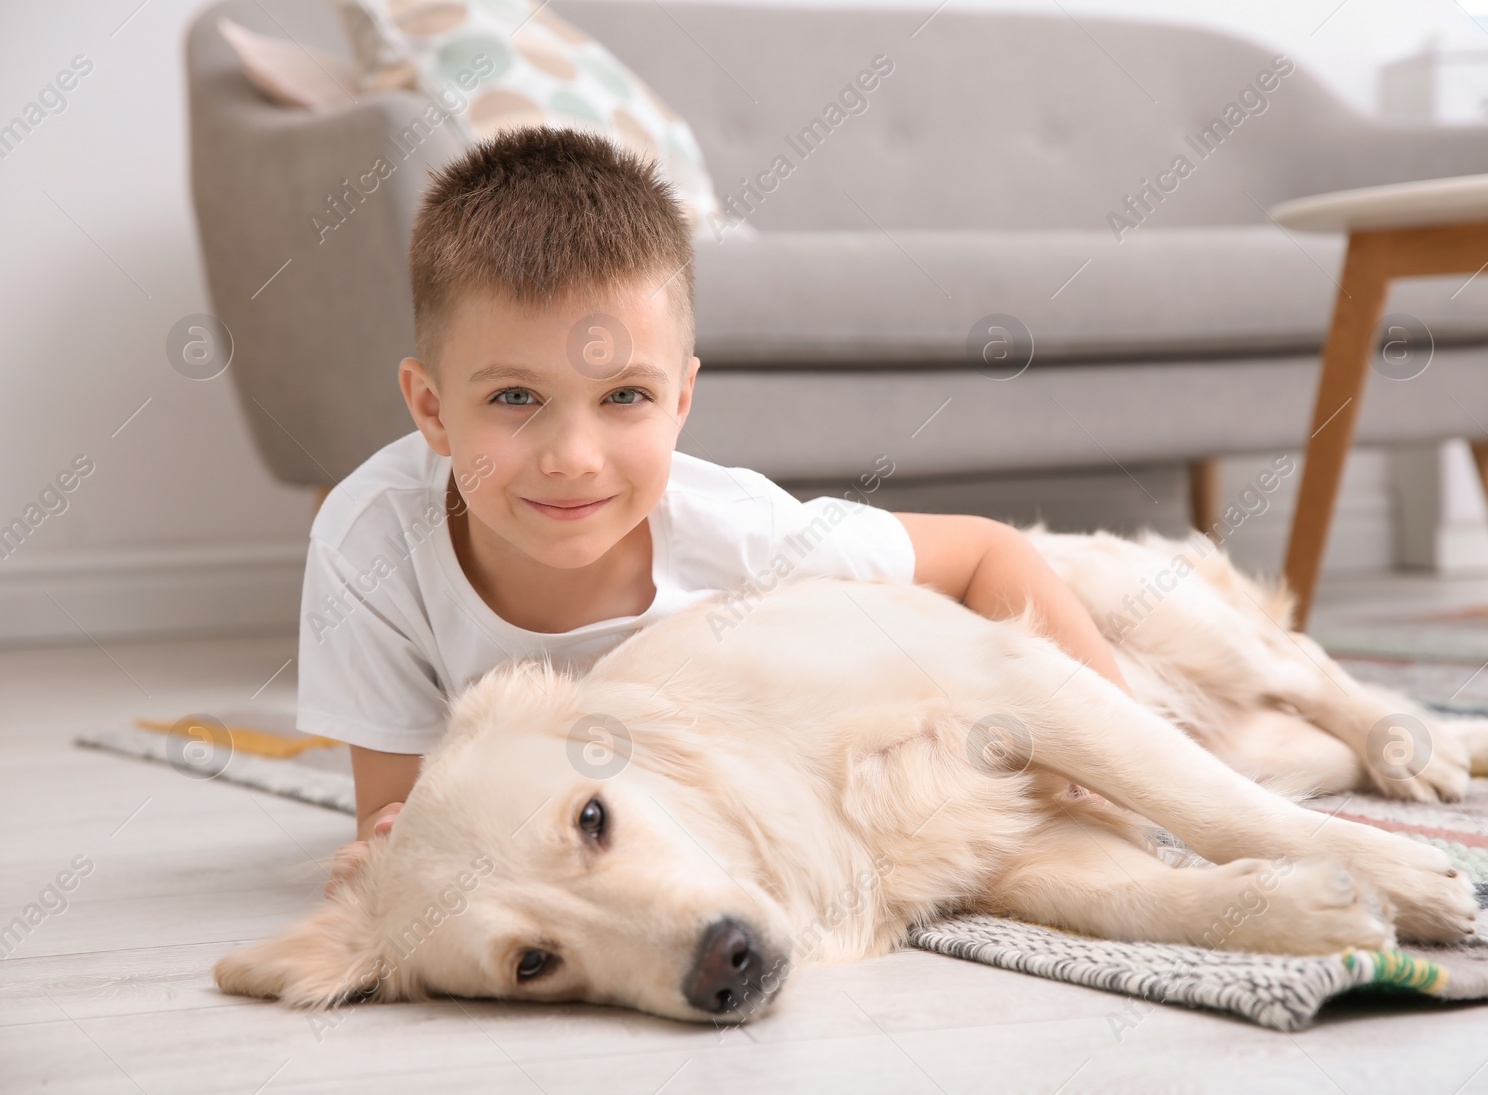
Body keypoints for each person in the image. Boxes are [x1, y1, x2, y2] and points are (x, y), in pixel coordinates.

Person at [303, 126, 1133, 894]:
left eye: (624, 395)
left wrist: (1119, 759)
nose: (573, 456)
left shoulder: (739, 532)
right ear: (433, 409)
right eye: (516, 396)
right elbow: (396, 813)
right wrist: (386, 854)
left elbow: (989, 553)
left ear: (682, 400)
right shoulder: (369, 541)